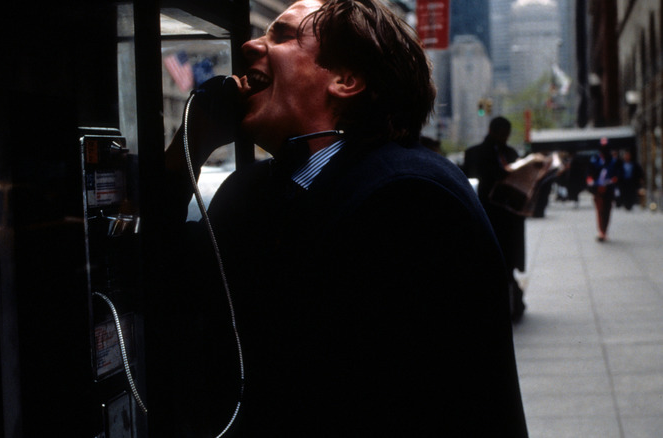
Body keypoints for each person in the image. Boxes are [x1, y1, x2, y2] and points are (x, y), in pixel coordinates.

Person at [155, 1, 528, 436]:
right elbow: (164, 285)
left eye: (282, 36)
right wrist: (189, 149)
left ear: (346, 79)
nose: (250, 44)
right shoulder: (250, 193)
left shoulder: (409, 196)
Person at [463, 116, 527, 322]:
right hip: (492, 215)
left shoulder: (510, 153)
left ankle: (512, 303)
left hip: (509, 216)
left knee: (507, 262)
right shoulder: (477, 153)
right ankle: (504, 304)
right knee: (496, 261)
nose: (505, 138)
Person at [587, 144, 621, 241]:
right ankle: (601, 231)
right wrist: (591, 180)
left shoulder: (613, 162)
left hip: (609, 189)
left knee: (607, 210)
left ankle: (604, 230)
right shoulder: (595, 161)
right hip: (598, 189)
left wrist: (612, 181)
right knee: (600, 210)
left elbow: (617, 175)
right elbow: (589, 173)